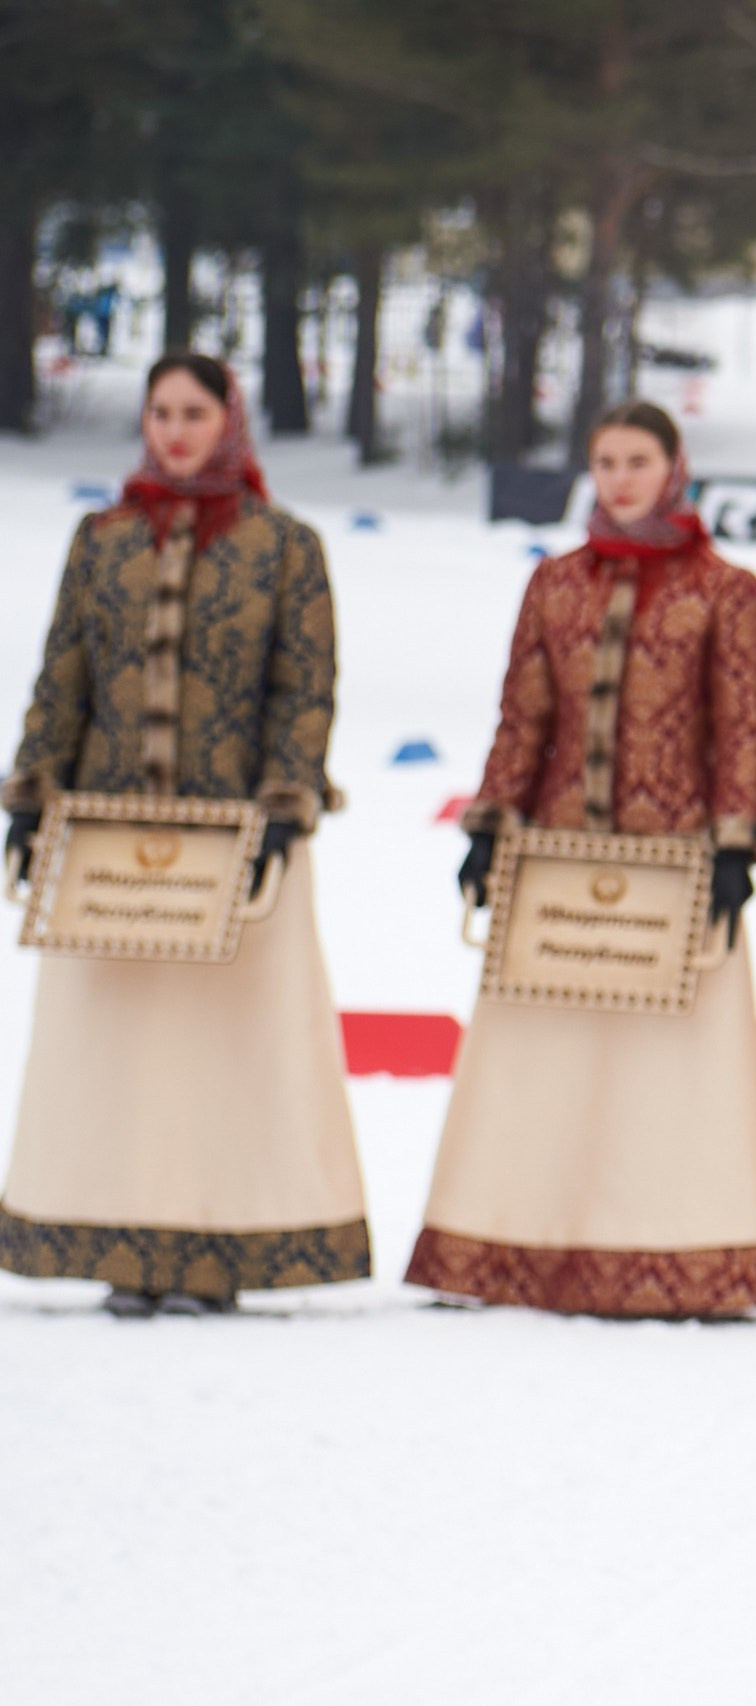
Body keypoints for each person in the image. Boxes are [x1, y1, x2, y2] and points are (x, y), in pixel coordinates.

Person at [0, 353, 368, 1315]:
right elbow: (63, 675)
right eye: (159, 411)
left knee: (228, 1052)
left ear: (229, 419)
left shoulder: (284, 546)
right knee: (119, 1054)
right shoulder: (103, 539)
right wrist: (33, 796)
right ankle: (120, 1240)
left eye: (194, 411)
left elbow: (306, 685)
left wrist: (287, 804)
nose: (174, 429)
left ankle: (220, 1250)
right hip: (110, 850)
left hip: (237, 853)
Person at [409, 401, 756, 1318]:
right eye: (606, 460)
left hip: (676, 862)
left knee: (669, 1072)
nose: (621, 477)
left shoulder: (726, 591)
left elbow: (742, 730)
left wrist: (734, 846)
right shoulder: (555, 585)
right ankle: (511, 1249)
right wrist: (493, 823)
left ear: (673, 467)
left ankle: (679, 1254)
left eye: (638, 460)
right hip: (560, 860)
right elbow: (524, 713)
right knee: (542, 1065)